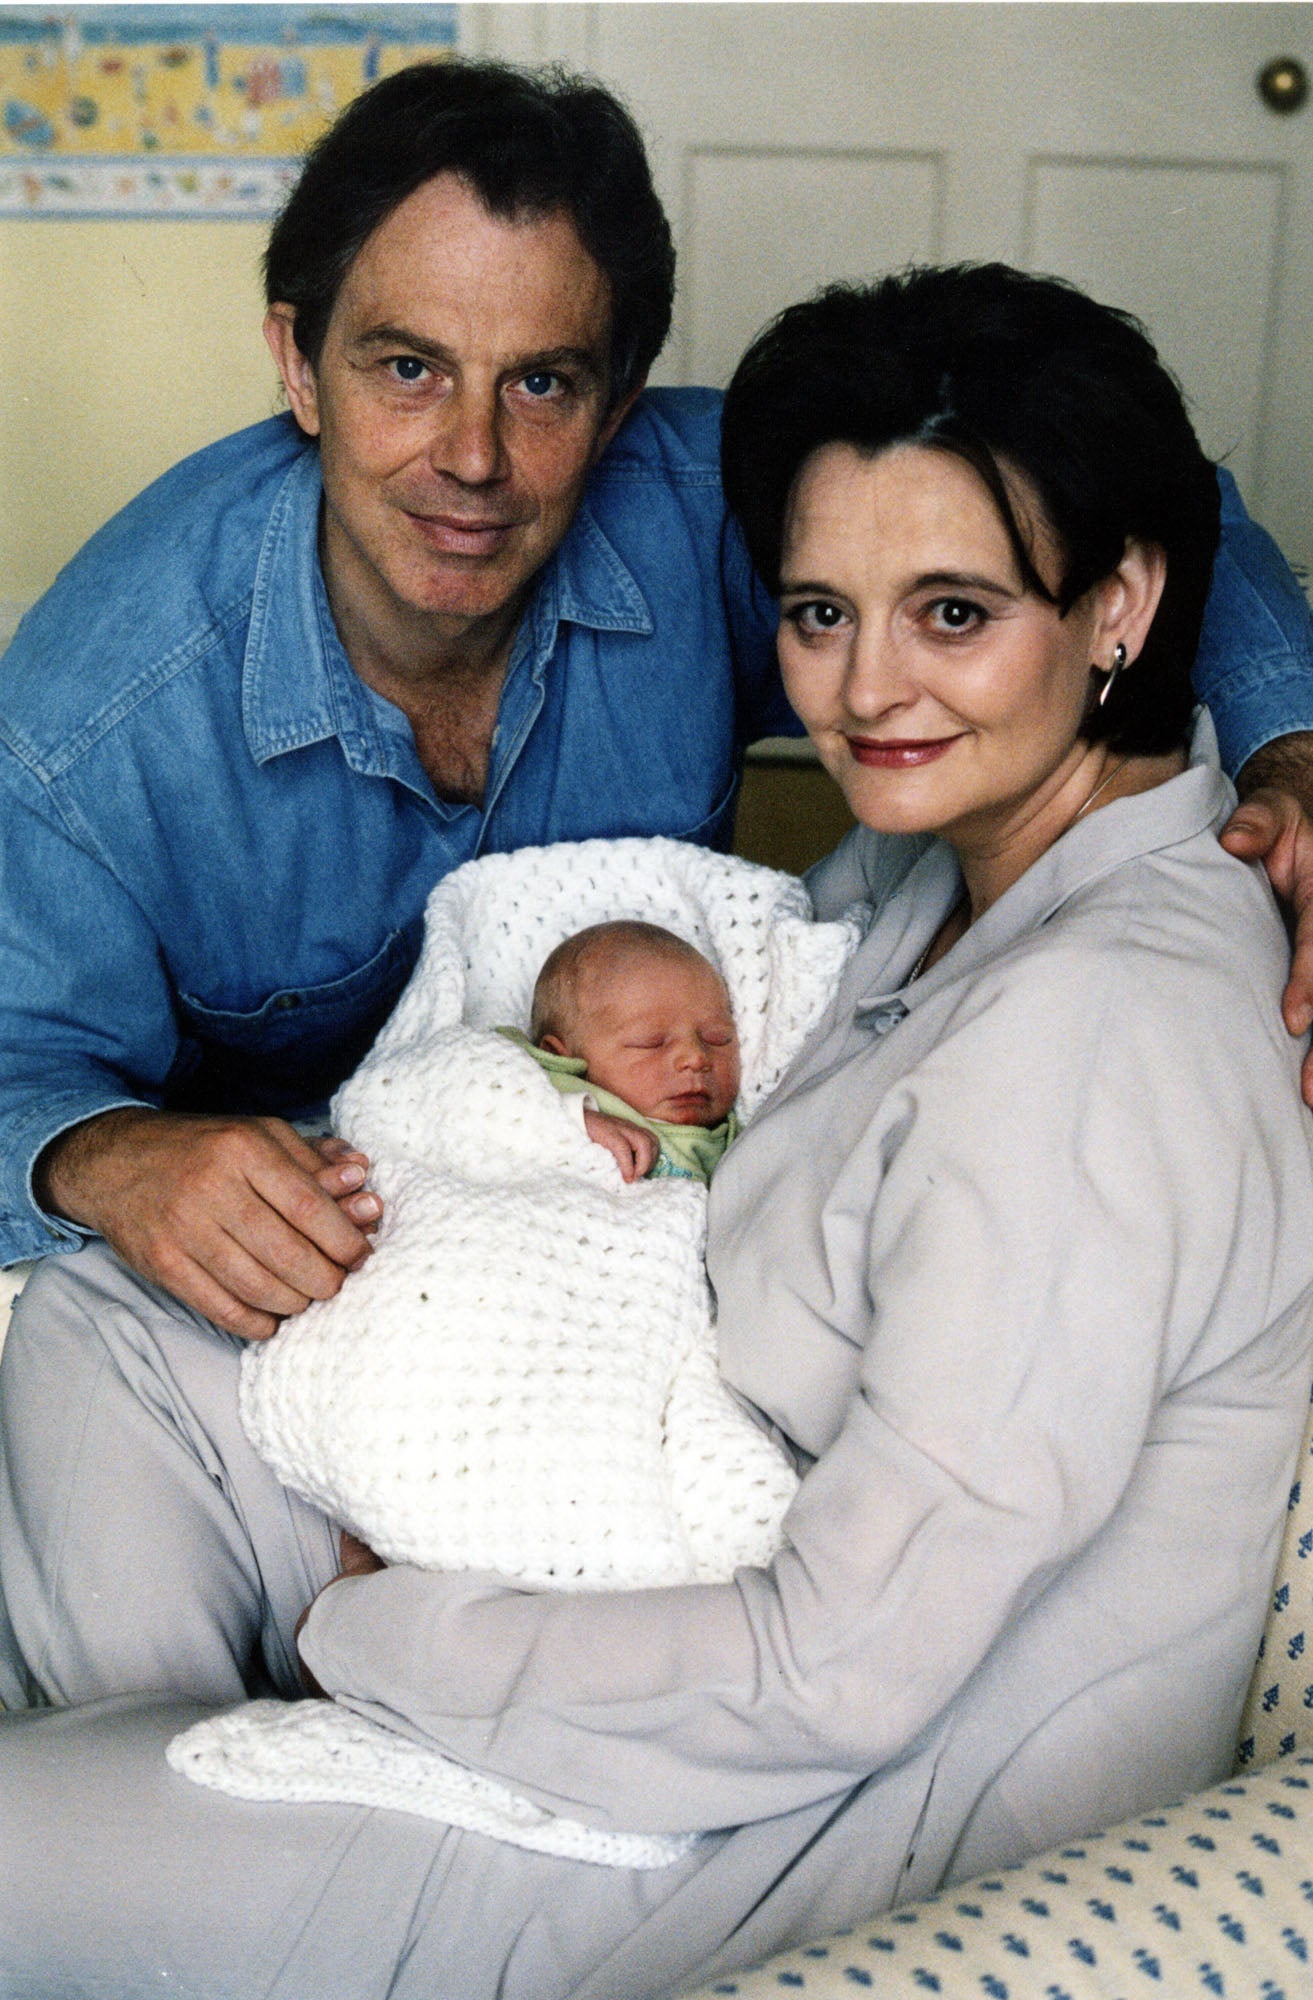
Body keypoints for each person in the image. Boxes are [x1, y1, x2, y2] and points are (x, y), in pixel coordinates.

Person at [5, 260, 1312, 2000]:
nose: (862, 696)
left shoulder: (1095, 1048)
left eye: (950, 613)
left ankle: (205, 1849)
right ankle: (206, 1865)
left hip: (801, 1809)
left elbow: (832, 1676)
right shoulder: (949, 866)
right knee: (110, 1322)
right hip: (662, 1498)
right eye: (818, 613)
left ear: (1120, 605)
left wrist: (365, 1626)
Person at [1, 57, 1313, 1360]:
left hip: (655, 1222)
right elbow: (15, 1067)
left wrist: (1293, 748)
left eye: (542, 385)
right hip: (324, 1269)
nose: (470, 456)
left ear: (621, 402)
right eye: (407, 368)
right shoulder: (90, 725)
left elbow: (1145, 496)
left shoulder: (697, 508)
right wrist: (107, 1160)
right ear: (298, 363)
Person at [508, 918, 741, 1183]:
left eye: (717, 1038)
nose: (696, 1058)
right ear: (561, 1057)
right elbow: (478, 1096)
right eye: (650, 1042)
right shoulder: (527, 1076)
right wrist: (573, 1121)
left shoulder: (740, 1141)